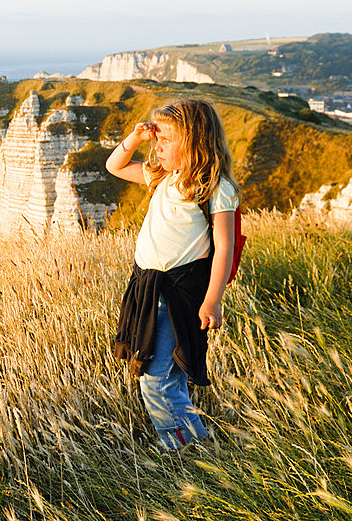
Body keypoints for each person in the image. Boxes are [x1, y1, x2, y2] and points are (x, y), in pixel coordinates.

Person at [105, 99, 239, 450]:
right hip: (150, 291)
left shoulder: (214, 187)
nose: (157, 146)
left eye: (165, 139)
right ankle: (191, 445)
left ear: (193, 142)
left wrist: (213, 300)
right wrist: (134, 139)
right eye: (155, 139)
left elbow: (224, 247)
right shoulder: (164, 176)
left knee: (158, 380)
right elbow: (115, 166)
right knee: (165, 374)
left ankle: (186, 449)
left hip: (180, 295)